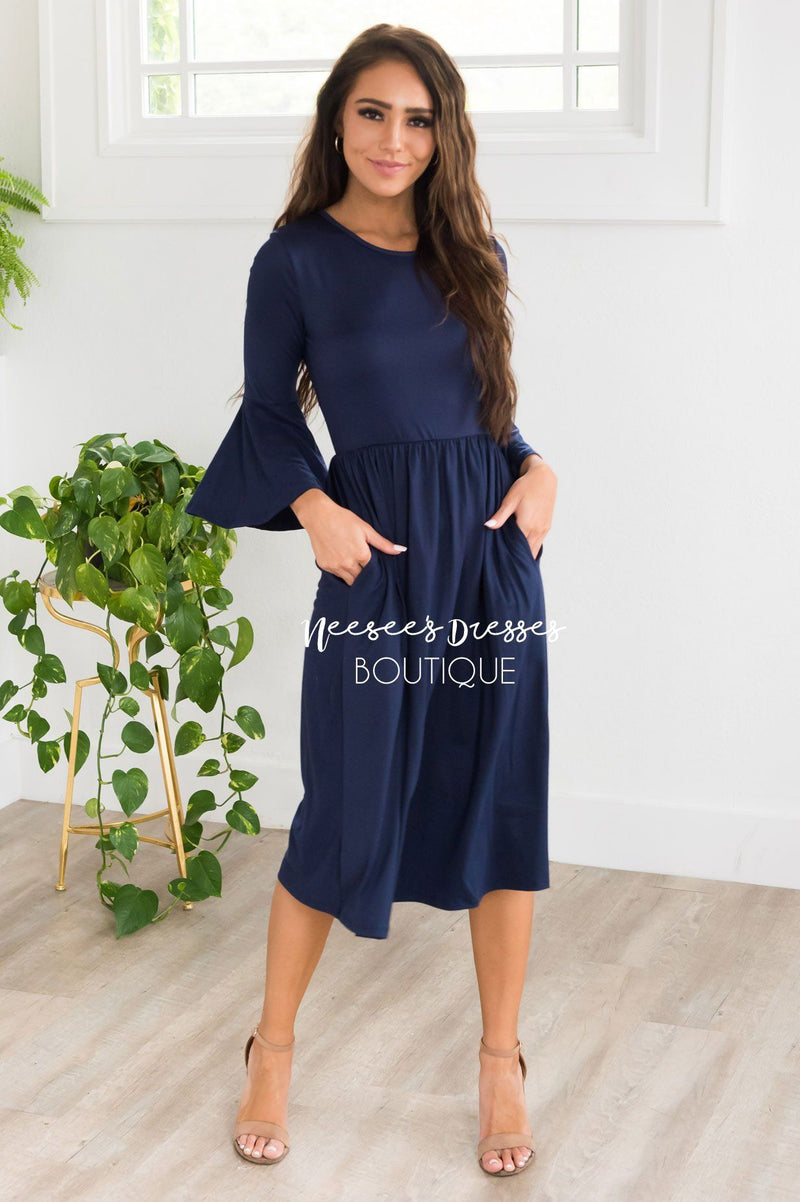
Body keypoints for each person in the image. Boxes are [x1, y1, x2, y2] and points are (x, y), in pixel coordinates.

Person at [185, 24, 558, 1179]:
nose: (394, 138)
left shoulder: (470, 251)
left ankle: (500, 1058)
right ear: (336, 121)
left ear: (443, 133)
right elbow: (266, 415)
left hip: (488, 562)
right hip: (377, 565)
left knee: (499, 801)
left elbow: (486, 412)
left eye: (417, 118)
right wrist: (313, 507)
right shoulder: (293, 259)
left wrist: (537, 467)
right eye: (372, 113)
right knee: (342, 804)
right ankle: (273, 1047)